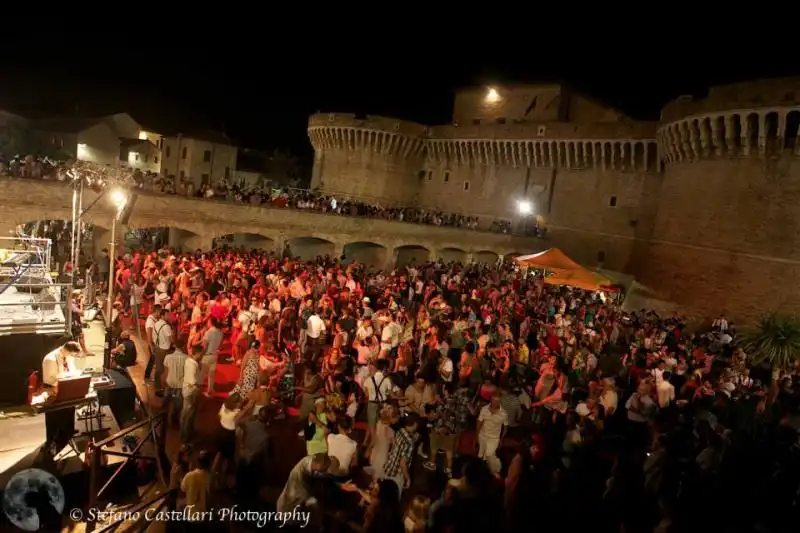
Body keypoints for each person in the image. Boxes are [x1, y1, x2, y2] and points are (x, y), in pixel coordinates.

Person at [383, 414, 419, 498]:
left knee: (385, 497)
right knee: (394, 498)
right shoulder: (409, 442)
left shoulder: (400, 430)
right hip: (397, 474)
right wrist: (408, 478)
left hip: (388, 467)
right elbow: (403, 463)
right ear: (415, 424)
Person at [180, 345, 203, 443]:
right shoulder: (193, 365)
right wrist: (198, 386)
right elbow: (194, 381)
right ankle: (185, 437)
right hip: (191, 391)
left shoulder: (188, 361)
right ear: (196, 353)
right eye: (200, 354)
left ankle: (187, 433)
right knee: (188, 414)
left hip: (187, 390)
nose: (202, 356)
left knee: (187, 414)